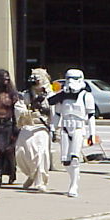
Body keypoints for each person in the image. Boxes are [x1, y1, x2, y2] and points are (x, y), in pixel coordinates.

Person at [48, 69, 97, 198]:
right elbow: (57, 114)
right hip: (65, 127)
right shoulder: (62, 96)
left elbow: (91, 116)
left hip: (78, 127)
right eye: (68, 78)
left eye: (74, 78)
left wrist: (92, 134)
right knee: (66, 160)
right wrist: (52, 128)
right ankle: (74, 176)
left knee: (75, 158)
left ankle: (74, 185)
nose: (71, 81)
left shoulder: (86, 96)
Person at [15, 68, 53, 193]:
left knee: (41, 153)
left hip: (42, 126)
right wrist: (28, 113)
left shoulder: (49, 95)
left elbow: (55, 112)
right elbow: (19, 107)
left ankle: (40, 181)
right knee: (21, 152)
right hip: (28, 124)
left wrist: (55, 129)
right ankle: (31, 174)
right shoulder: (26, 94)